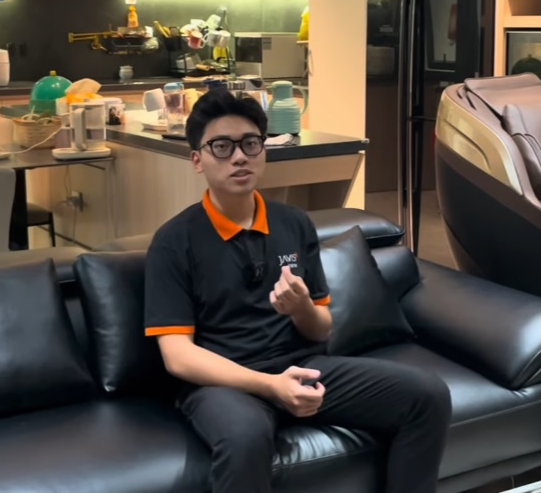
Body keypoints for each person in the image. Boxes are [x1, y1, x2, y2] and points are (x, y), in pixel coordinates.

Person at [143, 90, 452, 493]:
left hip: (303, 365)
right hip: (223, 384)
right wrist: (271, 386)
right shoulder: (174, 241)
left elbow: (321, 328)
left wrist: (302, 306)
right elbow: (178, 356)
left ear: (264, 150)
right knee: (244, 440)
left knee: (427, 396)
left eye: (250, 143)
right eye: (221, 146)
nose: (239, 157)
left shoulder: (293, 223)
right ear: (197, 160)